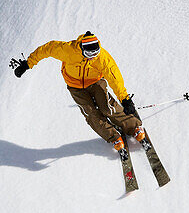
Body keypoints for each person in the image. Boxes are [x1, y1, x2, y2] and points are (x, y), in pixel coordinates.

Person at [10, 32, 145, 151]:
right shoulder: (68, 50)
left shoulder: (102, 58)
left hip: (95, 82)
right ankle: (113, 136)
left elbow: (114, 77)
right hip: (75, 86)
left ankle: (133, 126)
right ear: (82, 49)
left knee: (107, 107)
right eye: (89, 54)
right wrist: (28, 64)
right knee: (90, 113)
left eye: (95, 53)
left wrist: (125, 99)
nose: (93, 57)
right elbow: (47, 49)